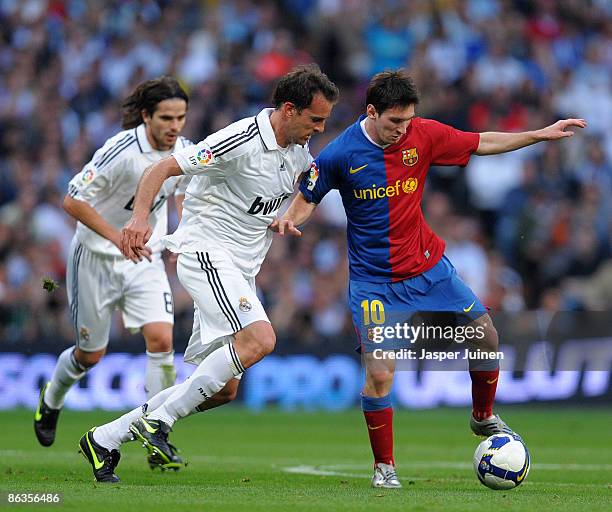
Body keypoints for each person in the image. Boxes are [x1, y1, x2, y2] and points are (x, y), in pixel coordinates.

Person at [271, 70, 586, 488]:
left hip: (428, 268)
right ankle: (385, 468)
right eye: (394, 122)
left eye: (408, 121)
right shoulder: (339, 154)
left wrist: (539, 135)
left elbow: (481, 142)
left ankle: (482, 416)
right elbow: (307, 197)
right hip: (374, 282)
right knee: (381, 373)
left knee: (486, 336)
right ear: (372, 112)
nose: (403, 130)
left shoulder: (423, 134)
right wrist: (291, 220)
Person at [78, 64, 339, 483]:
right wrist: (140, 219)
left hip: (240, 268)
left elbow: (280, 196)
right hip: (206, 253)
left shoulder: (297, 154)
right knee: (260, 339)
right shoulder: (241, 139)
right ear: (289, 110)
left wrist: (281, 218)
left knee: (222, 390)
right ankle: (158, 422)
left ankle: (104, 438)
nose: (320, 129)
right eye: (315, 119)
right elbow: (159, 170)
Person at [34, 77, 191, 456]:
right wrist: (116, 235)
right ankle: (52, 399)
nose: (175, 126)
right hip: (96, 259)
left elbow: (185, 195)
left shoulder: (184, 150)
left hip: (145, 259)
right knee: (90, 355)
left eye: (181, 117)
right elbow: (71, 200)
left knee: (162, 340)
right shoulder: (119, 150)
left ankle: (157, 431)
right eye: (166, 118)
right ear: (145, 116)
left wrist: (185, 237)